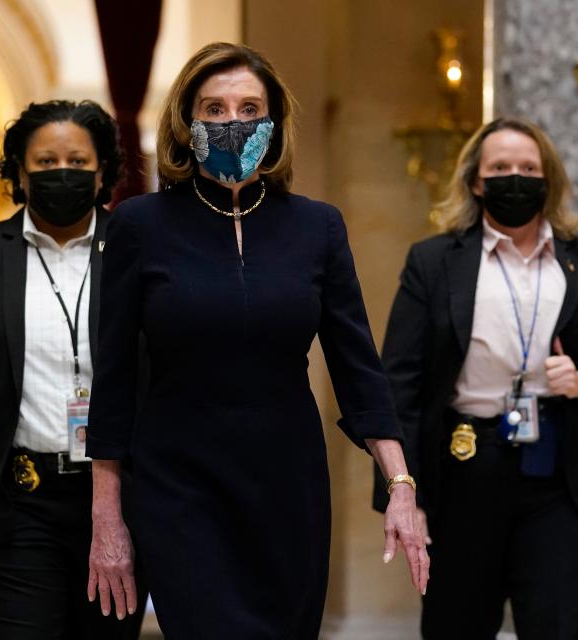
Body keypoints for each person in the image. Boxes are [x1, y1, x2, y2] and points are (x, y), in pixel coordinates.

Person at [87, 42, 429, 638]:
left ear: (272, 127)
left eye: (249, 108)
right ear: (185, 122)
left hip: (287, 482)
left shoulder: (317, 226)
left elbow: (358, 367)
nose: (231, 122)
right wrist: (106, 516)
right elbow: (113, 380)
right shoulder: (140, 225)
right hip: (179, 485)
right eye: (213, 109)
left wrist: (400, 485)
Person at [373, 117, 578, 639]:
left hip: (560, 478)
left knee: (555, 626)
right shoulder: (433, 262)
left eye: (528, 168)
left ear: (548, 179)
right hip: (461, 472)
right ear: (476, 182)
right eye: (500, 168)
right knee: (456, 625)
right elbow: (399, 384)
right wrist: (404, 492)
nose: (515, 178)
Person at [0, 100, 146, 638]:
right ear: (19, 171)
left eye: (79, 162)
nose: (63, 173)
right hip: (13, 502)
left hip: (120, 502)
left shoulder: (139, 250)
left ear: (103, 171)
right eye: (45, 162)